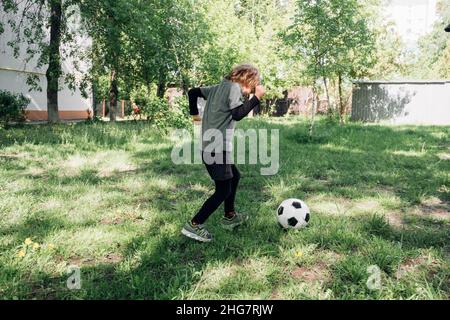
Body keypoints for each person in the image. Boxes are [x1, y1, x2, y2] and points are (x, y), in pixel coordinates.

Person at [181, 64, 266, 242]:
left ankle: (229, 215)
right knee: (223, 190)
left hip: (211, 147)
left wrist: (194, 114)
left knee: (234, 176)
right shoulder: (234, 87)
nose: (249, 90)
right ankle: (195, 224)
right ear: (246, 78)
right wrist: (256, 97)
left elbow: (193, 92)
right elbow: (237, 114)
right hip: (217, 149)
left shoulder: (218, 87)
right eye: (252, 84)